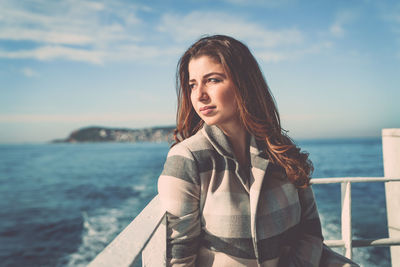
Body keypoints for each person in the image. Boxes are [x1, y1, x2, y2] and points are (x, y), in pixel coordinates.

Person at [158, 35, 358, 267]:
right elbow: (179, 258)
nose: (199, 95)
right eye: (193, 84)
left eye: (212, 80)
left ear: (244, 84)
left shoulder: (280, 149)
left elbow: (310, 231)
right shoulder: (188, 158)